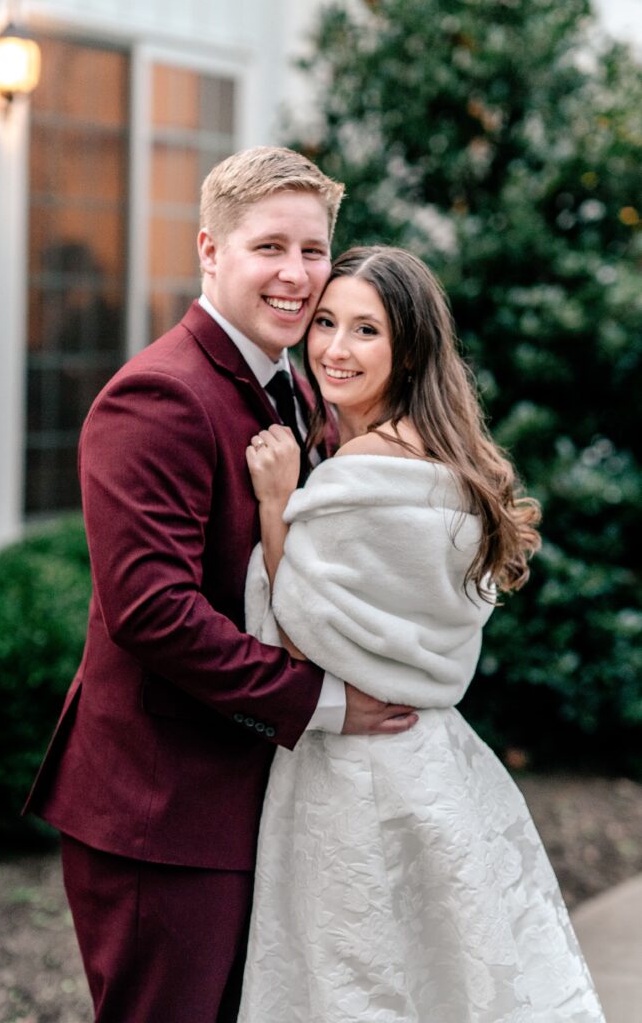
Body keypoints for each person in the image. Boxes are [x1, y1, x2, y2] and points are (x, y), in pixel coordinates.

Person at [23, 151, 419, 1023]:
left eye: (313, 250)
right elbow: (152, 613)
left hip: (253, 801)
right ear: (210, 249)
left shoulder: (294, 388)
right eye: (268, 246)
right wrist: (321, 702)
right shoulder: (160, 397)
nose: (296, 274)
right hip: (162, 815)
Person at [239, 246, 606, 1022]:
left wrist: (276, 504)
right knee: (440, 980)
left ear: (407, 349)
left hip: (354, 770)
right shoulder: (448, 462)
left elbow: (303, 630)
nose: (335, 348)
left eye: (365, 330)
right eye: (326, 322)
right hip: (436, 761)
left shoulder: (357, 476)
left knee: (356, 982)